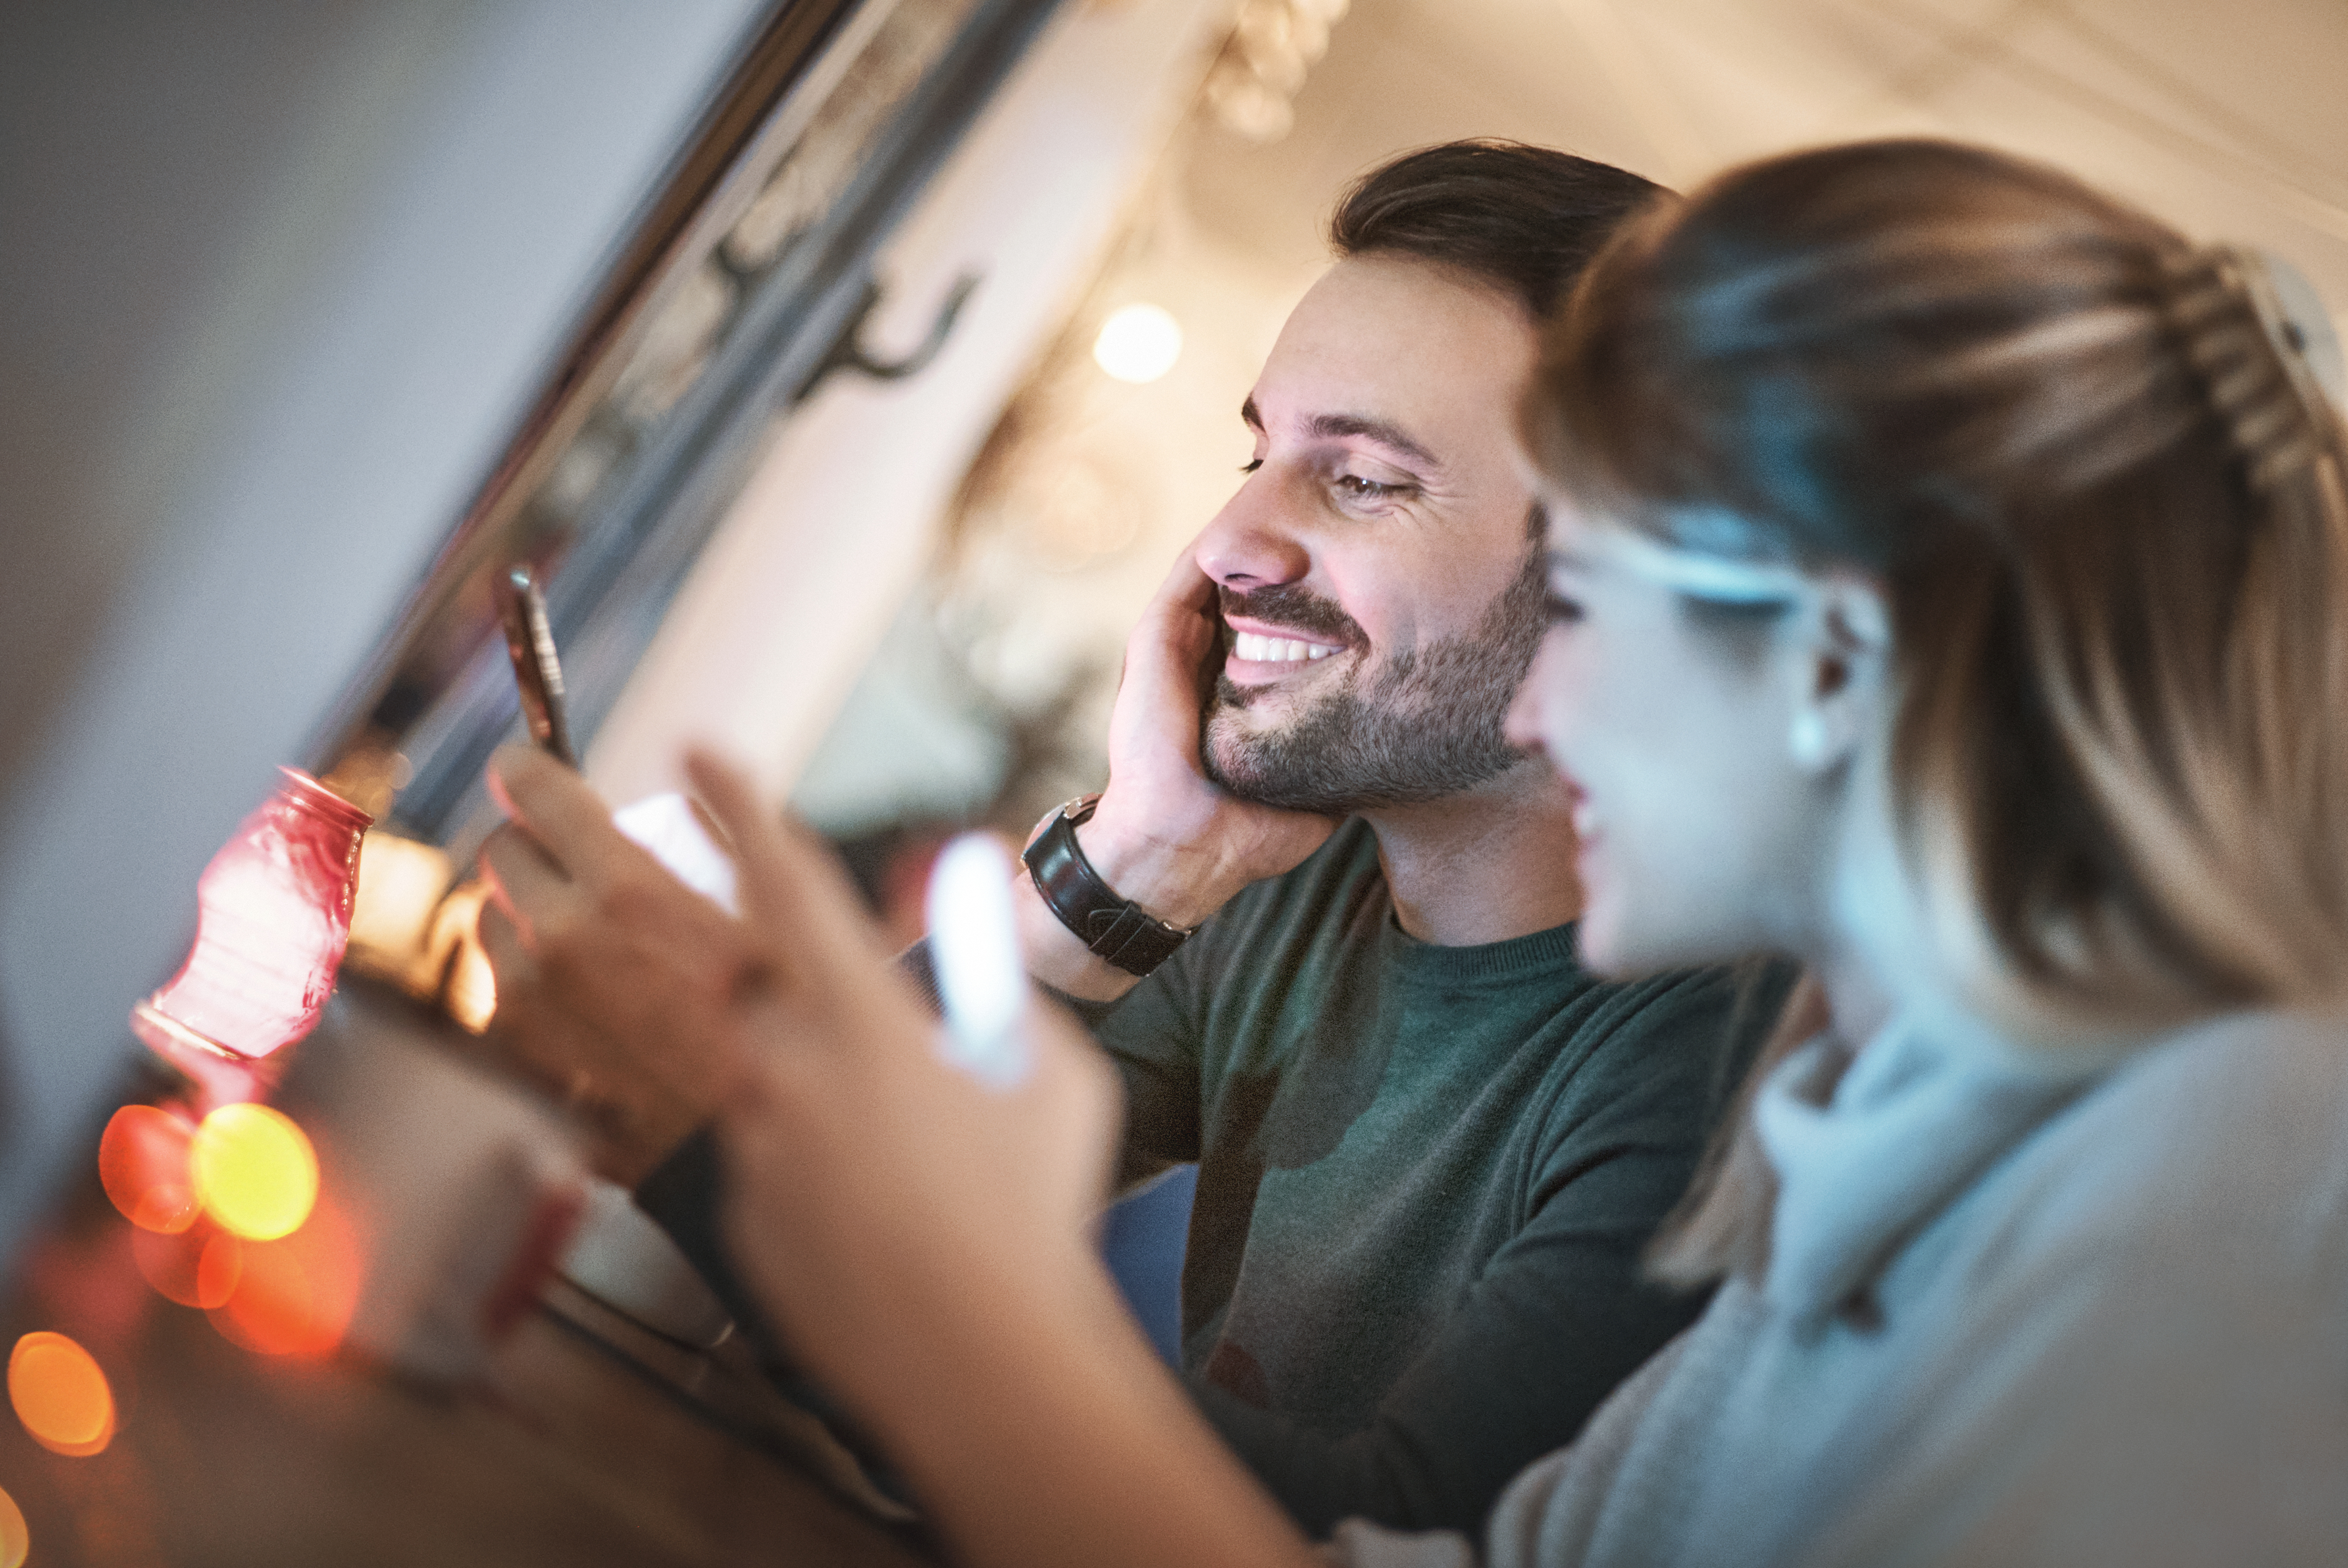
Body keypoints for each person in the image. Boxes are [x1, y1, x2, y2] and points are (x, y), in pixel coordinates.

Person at [489, 134, 2348, 1567]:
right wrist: (1121, 865)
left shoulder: (2227, 1180)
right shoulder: (1876, 1121)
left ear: (1836, 652)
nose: (1547, 704)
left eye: (1599, 595)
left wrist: (858, 1233)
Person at [481, 140, 1789, 1534]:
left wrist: (727, 1124)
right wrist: (1134, 859)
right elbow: (778, 1247)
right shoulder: (1286, 877)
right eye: (1257, 451)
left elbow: (1372, 1535)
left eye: (1359, 480)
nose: (1227, 538)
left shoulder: (1721, 1056)